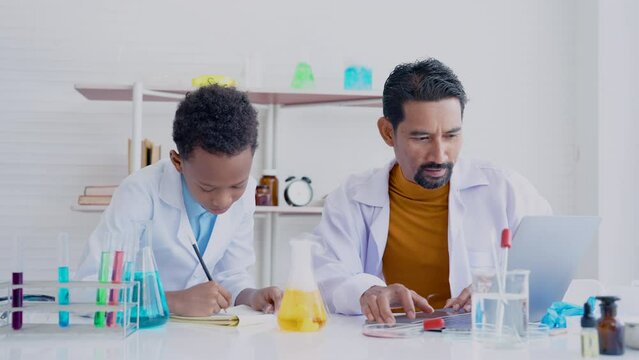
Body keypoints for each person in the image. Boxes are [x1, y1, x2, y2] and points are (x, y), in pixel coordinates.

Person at [312, 58, 551, 324]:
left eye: (451, 136)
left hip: (478, 344)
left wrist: (500, 290)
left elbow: (550, 272)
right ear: (388, 132)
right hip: (387, 344)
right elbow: (327, 273)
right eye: (422, 138)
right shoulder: (351, 197)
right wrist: (368, 290)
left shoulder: (507, 190)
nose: (439, 155)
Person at [76, 85, 282, 316]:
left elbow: (231, 276)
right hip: (138, 338)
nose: (223, 200)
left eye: (237, 185)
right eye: (207, 187)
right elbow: (86, 289)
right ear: (177, 162)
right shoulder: (139, 192)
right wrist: (172, 302)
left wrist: (253, 296)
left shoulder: (247, 195)